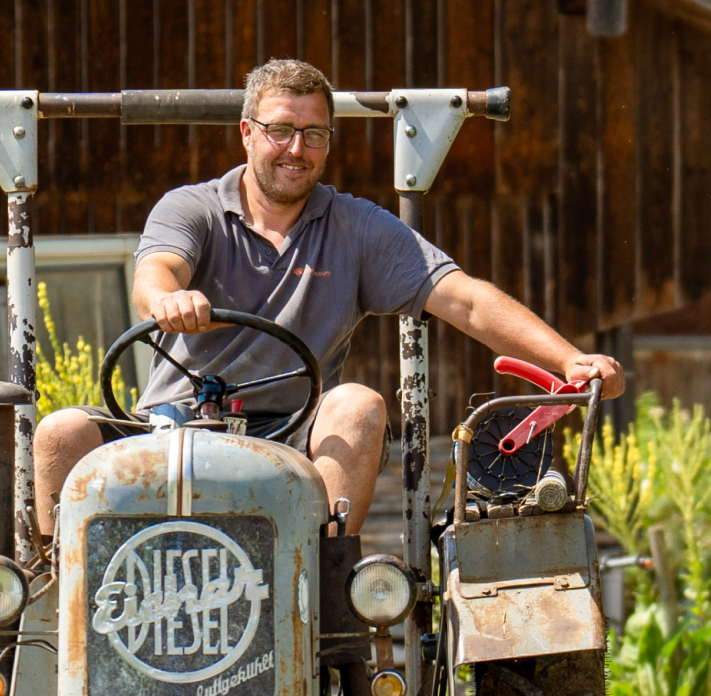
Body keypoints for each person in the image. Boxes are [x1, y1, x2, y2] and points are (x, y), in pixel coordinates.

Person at [34, 57, 624, 539]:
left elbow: (464, 299)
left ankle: (323, 581)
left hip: (294, 432)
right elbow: (155, 274)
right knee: (61, 432)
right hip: (172, 425)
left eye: (315, 134)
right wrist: (169, 299)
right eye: (281, 130)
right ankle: (61, 606)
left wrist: (569, 360)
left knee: (360, 406)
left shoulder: (356, 228)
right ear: (248, 133)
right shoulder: (194, 209)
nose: (297, 148)